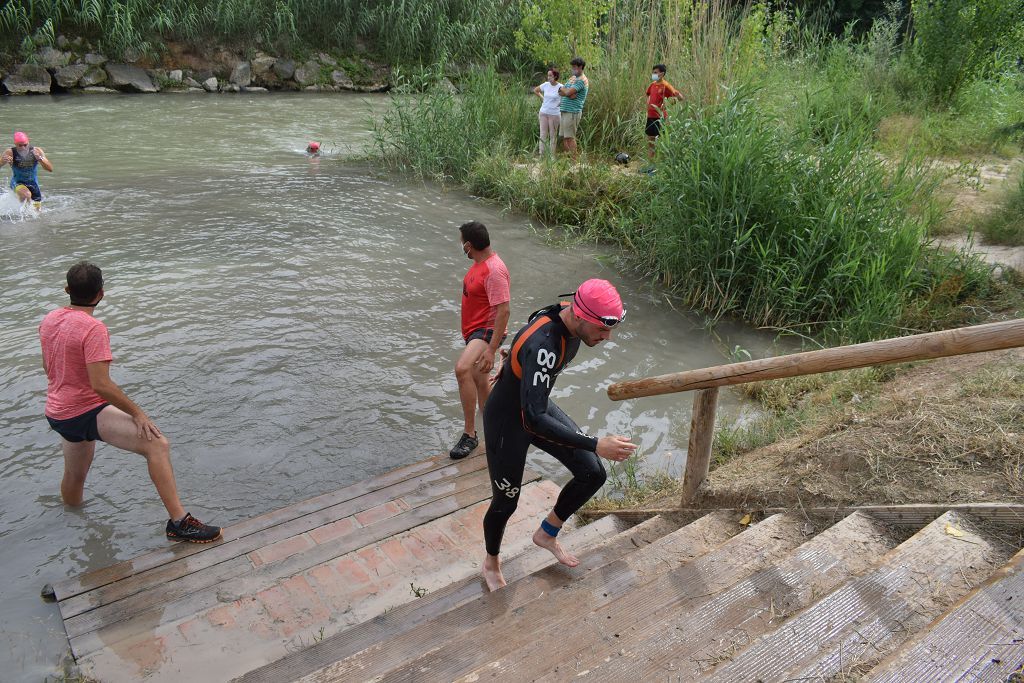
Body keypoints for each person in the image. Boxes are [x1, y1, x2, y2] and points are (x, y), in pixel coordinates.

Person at [39, 262, 221, 543]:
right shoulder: (93, 328)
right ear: (101, 294)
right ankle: (179, 523)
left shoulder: (50, 319)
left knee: (75, 475)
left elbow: (48, 367)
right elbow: (101, 385)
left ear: (67, 290)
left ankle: (72, 525)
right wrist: (139, 414)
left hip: (57, 412)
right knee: (157, 444)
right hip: (84, 411)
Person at [480, 279, 637, 591]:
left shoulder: (567, 315)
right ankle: (491, 561)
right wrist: (596, 443)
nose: (607, 337)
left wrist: (511, 362)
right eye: (602, 329)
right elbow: (534, 419)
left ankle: (547, 533)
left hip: (534, 406)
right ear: (579, 316)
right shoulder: (544, 347)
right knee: (505, 502)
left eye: (610, 330)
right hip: (508, 422)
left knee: (592, 472)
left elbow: (535, 319)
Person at [450, 221, 511, 460]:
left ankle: (470, 435)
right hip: (475, 332)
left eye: (461, 243)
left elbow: (504, 310)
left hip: (486, 331)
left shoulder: (493, 270)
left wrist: (491, 350)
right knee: (480, 382)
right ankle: (495, 431)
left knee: (462, 369)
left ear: (468, 245)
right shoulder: (480, 264)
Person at [1, 131, 53, 210]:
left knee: (36, 214)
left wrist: (40, 159)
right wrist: (2, 161)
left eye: (25, 145)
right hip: (17, 183)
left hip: (34, 185)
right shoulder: (10, 152)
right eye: (20, 145)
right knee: (27, 195)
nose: (23, 148)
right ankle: (21, 216)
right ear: (15, 144)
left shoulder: (37, 151)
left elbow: (50, 169)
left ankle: (23, 217)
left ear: (28, 142)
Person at [644, 64, 683, 167]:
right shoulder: (652, 85)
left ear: (662, 74)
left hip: (660, 117)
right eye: (653, 72)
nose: (653, 74)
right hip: (650, 116)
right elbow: (648, 95)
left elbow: (678, 98)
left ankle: (661, 166)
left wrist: (667, 105)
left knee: (662, 142)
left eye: (655, 72)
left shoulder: (666, 85)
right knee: (651, 141)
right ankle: (650, 165)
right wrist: (648, 104)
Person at [558, 57, 590, 158]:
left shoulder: (582, 80)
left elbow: (566, 91)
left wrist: (567, 92)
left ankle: (574, 161)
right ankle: (568, 160)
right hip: (564, 111)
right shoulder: (572, 78)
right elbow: (560, 91)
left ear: (581, 67)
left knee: (570, 137)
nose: (573, 69)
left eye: (575, 67)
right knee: (564, 137)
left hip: (573, 112)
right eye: (572, 67)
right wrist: (568, 92)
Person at [533, 68, 563, 156]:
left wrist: (560, 104)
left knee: (553, 136)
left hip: (554, 114)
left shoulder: (561, 87)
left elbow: (565, 97)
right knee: (543, 134)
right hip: (543, 112)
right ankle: (541, 155)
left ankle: (551, 156)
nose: (548, 77)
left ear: (556, 76)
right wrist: (543, 99)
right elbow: (536, 90)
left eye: (550, 75)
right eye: (548, 75)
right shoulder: (545, 85)